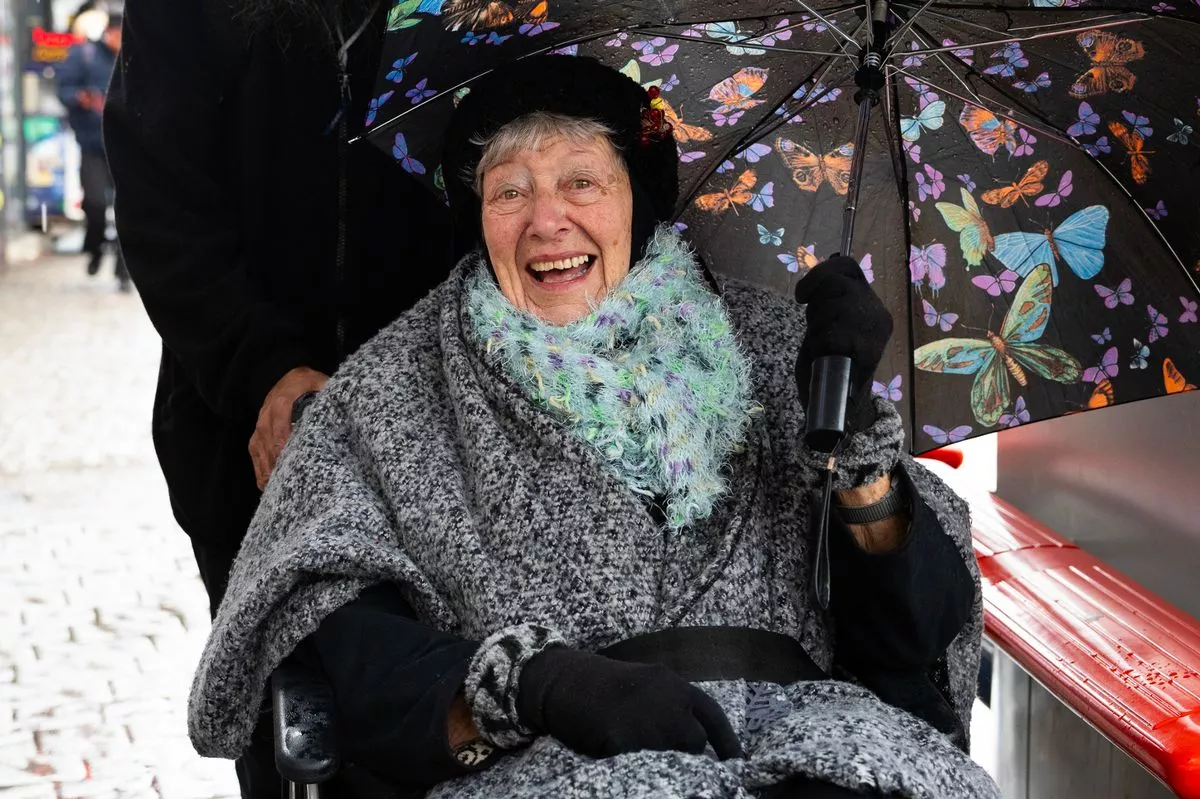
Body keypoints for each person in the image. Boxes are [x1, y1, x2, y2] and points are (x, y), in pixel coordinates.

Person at [186, 56, 1000, 799]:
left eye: (581, 182)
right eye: (509, 191)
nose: (546, 221)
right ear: (477, 215)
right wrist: (542, 684)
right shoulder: (392, 389)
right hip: (549, 764)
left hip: (821, 750)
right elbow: (354, 655)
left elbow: (910, 638)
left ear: (636, 201)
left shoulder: (782, 346)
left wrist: (855, 442)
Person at [102, 0, 453, 795]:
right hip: (246, 445)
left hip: (439, 428)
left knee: (438, 718)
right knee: (294, 734)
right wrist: (264, 368)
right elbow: (162, 210)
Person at [57, 9, 129, 290]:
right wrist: (81, 97)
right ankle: (95, 247)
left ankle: (124, 271)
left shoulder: (133, 60)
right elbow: (64, 91)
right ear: (109, 32)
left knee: (127, 209)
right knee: (96, 204)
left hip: (124, 148)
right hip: (92, 145)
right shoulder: (84, 55)